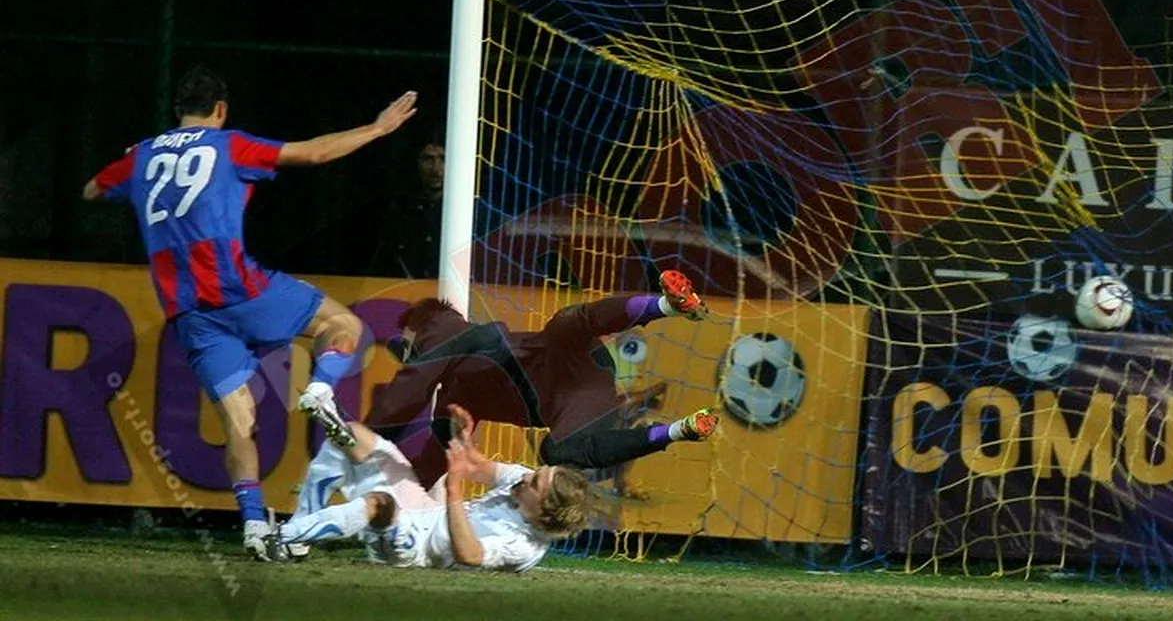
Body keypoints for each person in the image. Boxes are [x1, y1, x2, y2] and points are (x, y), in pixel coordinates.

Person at [81, 64, 418, 559]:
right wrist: (378, 128)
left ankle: (256, 528)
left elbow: (91, 190)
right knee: (343, 324)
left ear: (178, 110)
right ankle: (322, 387)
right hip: (244, 291)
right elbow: (316, 152)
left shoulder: (143, 156)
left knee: (239, 422)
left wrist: (137, 157)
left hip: (190, 313)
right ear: (220, 109)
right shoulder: (228, 144)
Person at [361, 269, 719, 494]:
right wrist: (381, 508)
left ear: (419, 331)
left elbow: (405, 393)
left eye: (406, 342)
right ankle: (678, 431)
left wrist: (361, 440)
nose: (405, 353)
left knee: (565, 324)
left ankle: (668, 305)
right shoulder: (454, 401)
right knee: (557, 453)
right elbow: (430, 465)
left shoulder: (443, 330)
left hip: (567, 358)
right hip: (582, 400)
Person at [268, 404, 592, 572]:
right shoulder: (522, 482)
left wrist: (454, 490)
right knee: (353, 437)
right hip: (425, 509)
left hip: (416, 548)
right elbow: (476, 466)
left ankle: (280, 537)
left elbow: (469, 555)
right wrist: (463, 438)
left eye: (535, 482)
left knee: (379, 504)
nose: (526, 477)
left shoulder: (523, 547)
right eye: (536, 472)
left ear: (545, 511)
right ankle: (300, 533)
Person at [368, 136, 445, 278]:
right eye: (428, 159)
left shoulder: (474, 212)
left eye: (443, 159)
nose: (436, 169)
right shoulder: (397, 208)